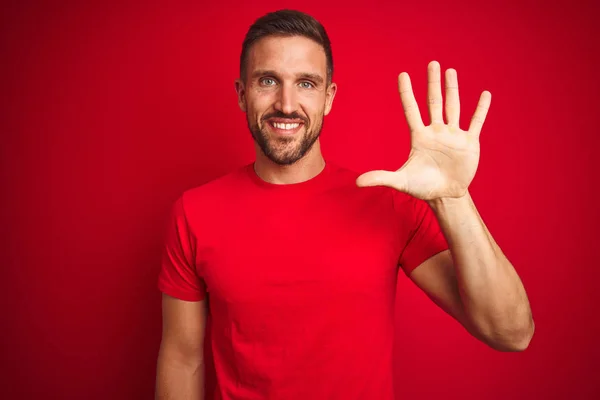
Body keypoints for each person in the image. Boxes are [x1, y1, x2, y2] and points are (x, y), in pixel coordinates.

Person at [154, 9, 534, 400]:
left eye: (306, 83)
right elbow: (184, 360)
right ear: (241, 93)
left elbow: (511, 332)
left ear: (328, 97)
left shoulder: (387, 204)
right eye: (268, 80)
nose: (286, 104)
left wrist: (454, 199)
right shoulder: (194, 212)